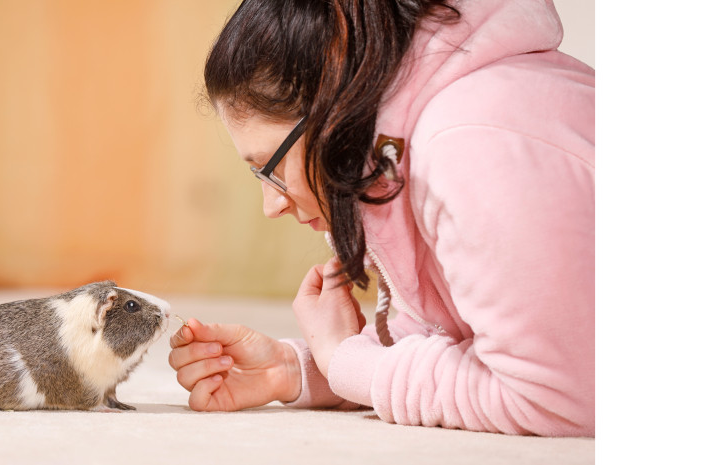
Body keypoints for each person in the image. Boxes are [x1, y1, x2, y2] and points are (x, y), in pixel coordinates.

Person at [168, 0, 594, 437]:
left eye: (270, 168)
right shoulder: (416, 137)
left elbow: (556, 399)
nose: (271, 205)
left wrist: (344, 361)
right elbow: (457, 338)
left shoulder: (470, 144)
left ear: (332, 102)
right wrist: (298, 370)